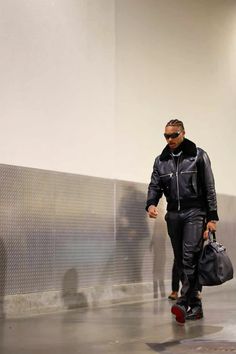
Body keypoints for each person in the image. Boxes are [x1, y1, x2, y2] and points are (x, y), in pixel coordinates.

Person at [146, 119, 218, 324]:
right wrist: (151, 204)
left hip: (195, 213)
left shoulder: (198, 155)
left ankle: (183, 301)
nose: (170, 140)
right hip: (173, 215)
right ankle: (195, 306)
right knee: (181, 260)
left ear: (183, 133)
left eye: (173, 135)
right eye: (166, 136)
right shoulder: (161, 160)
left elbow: (209, 187)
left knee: (189, 257)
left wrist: (212, 217)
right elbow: (154, 185)